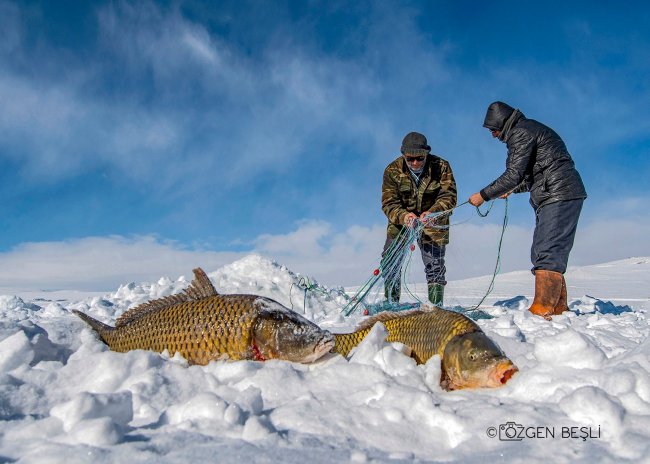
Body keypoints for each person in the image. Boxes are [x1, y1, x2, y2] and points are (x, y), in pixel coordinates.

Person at [469, 101, 587, 320]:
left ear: (503, 124)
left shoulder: (521, 132)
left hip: (558, 193)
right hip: (556, 192)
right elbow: (533, 174)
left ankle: (543, 307)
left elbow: (513, 174)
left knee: (548, 249)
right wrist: (513, 190)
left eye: (493, 129)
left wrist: (483, 195)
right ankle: (558, 308)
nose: (493, 135)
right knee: (544, 249)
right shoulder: (528, 129)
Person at [381, 131, 457, 306]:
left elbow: (449, 197)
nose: (415, 163)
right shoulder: (391, 171)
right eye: (410, 159)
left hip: (433, 222)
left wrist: (434, 213)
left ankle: (435, 309)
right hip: (402, 223)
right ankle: (392, 307)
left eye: (419, 158)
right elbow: (388, 203)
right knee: (390, 262)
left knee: (435, 266)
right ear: (404, 156)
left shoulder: (442, 167)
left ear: (426, 154)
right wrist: (404, 216)